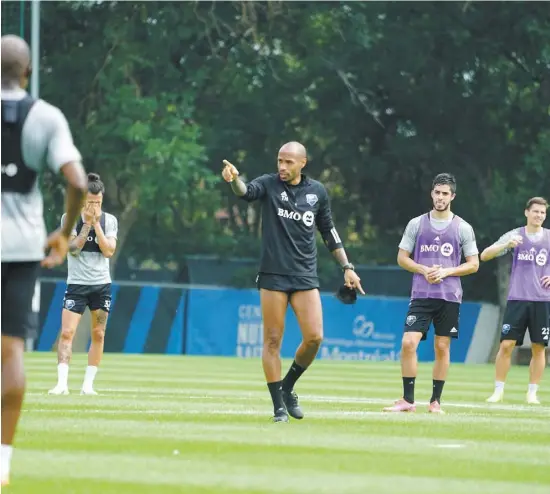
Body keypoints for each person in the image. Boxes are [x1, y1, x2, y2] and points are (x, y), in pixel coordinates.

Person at [222, 141, 364, 422]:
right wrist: (235, 180)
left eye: (288, 162)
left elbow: (329, 232)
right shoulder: (269, 184)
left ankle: (287, 388)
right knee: (272, 340)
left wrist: (347, 266)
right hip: (273, 274)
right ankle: (278, 408)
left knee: (314, 338)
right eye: (279, 161)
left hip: (304, 275)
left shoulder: (317, 192)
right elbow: (246, 192)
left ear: (303, 163)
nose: (282, 167)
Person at [1, 34, 88, 486]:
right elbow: (76, 179)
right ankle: (2, 461)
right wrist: (64, 231)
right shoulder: (46, 116)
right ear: (28, 71)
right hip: (21, 247)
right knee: (10, 351)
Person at [383, 173, 479, 414]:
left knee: (442, 347)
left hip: (449, 296)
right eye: (437, 192)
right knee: (408, 343)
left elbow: (474, 264)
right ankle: (407, 400)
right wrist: (423, 269)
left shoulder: (463, 227)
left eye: (445, 193)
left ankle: (435, 401)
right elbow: (402, 258)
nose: (440, 197)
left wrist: (446, 272)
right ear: (432, 194)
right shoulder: (417, 224)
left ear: (452, 196)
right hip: (421, 294)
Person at [48, 173, 118, 396]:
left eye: (97, 202)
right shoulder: (69, 218)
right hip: (76, 286)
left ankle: (88, 385)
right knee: (67, 333)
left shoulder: (110, 221)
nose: (93, 206)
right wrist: (87, 224)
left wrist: (96, 225)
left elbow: (108, 250)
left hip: (101, 287)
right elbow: (74, 248)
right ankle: (62, 384)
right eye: (89, 202)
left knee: (99, 333)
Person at [482, 197, 549, 405]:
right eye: (535, 211)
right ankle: (498, 391)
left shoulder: (549, 237)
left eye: (543, 213)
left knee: (539, 347)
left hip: (542, 300)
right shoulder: (515, 235)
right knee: (507, 345)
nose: (539, 215)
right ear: (526, 213)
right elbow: (484, 255)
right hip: (517, 298)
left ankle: (532, 393)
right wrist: (506, 244)